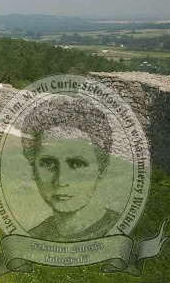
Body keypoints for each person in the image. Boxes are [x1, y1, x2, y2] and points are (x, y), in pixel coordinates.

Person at [20, 95, 121, 242]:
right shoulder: (34, 236)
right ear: (33, 170)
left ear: (101, 171)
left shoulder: (118, 234)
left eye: (77, 164)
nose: (61, 180)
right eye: (48, 163)